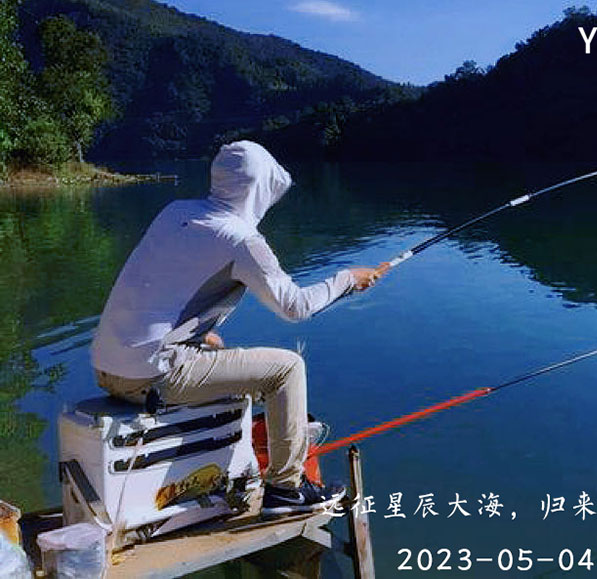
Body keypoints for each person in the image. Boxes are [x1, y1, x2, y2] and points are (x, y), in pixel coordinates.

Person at [90, 140, 388, 517]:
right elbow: (295, 307)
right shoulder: (241, 239)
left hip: (107, 367)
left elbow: (159, 287)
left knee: (221, 351)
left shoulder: (175, 212)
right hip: (151, 375)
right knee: (287, 369)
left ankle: (226, 463)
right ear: (259, 189)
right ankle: (286, 488)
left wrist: (198, 334)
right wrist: (347, 279)